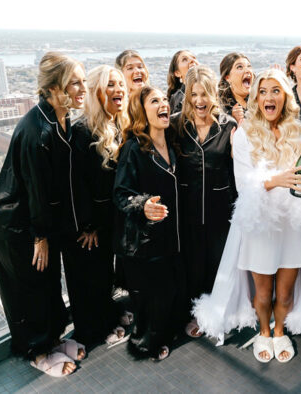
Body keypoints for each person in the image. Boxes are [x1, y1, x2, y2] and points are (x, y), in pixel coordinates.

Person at [193, 69, 301, 363]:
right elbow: (243, 185)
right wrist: (277, 179)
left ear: (285, 97)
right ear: (256, 98)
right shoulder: (244, 134)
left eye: (276, 91)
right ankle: (263, 332)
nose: (269, 97)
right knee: (262, 292)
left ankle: (280, 330)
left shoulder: (300, 132)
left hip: (291, 224)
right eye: (263, 91)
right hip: (260, 224)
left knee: (285, 293)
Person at [0, 51, 87, 377]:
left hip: (35, 219)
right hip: (14, 222)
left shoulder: (58, 118)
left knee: (48, 281)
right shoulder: (37, 131)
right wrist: (40, 237)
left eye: (83, 81)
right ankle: (37, 352)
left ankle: (53, 340)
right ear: (55, 88)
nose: (82, 88)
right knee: (29, 287)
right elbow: (36, 188)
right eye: (75, 83)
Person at [113, 86, 184, 361]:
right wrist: (144, 205)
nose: (164, 104)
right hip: (146, 243)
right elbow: (120, 194)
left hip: (172, 238)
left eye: (165, 100)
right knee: (152, 300)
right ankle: (146, 345)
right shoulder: (134, 149)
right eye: (155, 101)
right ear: (142, 111)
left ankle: (166, 334)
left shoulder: (173, 143)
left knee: (170, 292)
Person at [171, 66, 239, 338]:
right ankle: (195, 315)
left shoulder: (228, 127)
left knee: (218, 266)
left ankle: (218, 315)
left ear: (214, 95)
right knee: (191, 267)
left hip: (220, 211)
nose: (200, 101)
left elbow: (241, 168)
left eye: (205, 94)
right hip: (186, 212)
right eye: (194, 95)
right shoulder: (175, 125)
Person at [67, 65, 132, 348]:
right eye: (110, 85)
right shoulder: (82, 130)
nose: (118, 89)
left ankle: (109, 316)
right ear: (96, 92)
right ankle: (94, 330)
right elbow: (76, 184)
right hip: (90, 221)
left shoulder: (116, 124)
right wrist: (88, 225)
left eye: (120, 84)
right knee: (90, 276)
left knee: (105, 272)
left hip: (109, 217)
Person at [218, 52, 253, 125]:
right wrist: (232, 120)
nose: (247, 70)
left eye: (249, 66)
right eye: (240, 67)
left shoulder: (259, 100)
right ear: (227, 77)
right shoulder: (221, 108)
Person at [167, 50, 198, 115]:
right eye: (184, 59)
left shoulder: (212, 92)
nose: (192, 60)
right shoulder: (178, 100)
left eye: (194, 58)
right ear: (177, 73)